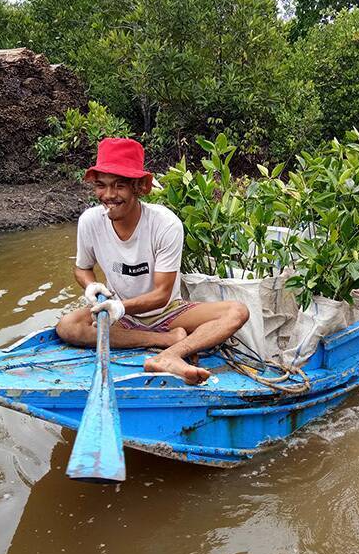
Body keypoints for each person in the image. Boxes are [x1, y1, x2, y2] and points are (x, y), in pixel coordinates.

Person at [56, 137, 249, 385]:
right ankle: (164, 340)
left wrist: (122, 307)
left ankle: (171, 355)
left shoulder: (165, 224)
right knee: (67, 326)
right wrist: (91, 286)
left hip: (167, 311)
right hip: (121, 314)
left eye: (119, 186)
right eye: (101, 186)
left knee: (237, 311)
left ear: (138, 187)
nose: (109, 195)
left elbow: (161, 294)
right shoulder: (90, 221)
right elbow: (82, 268)